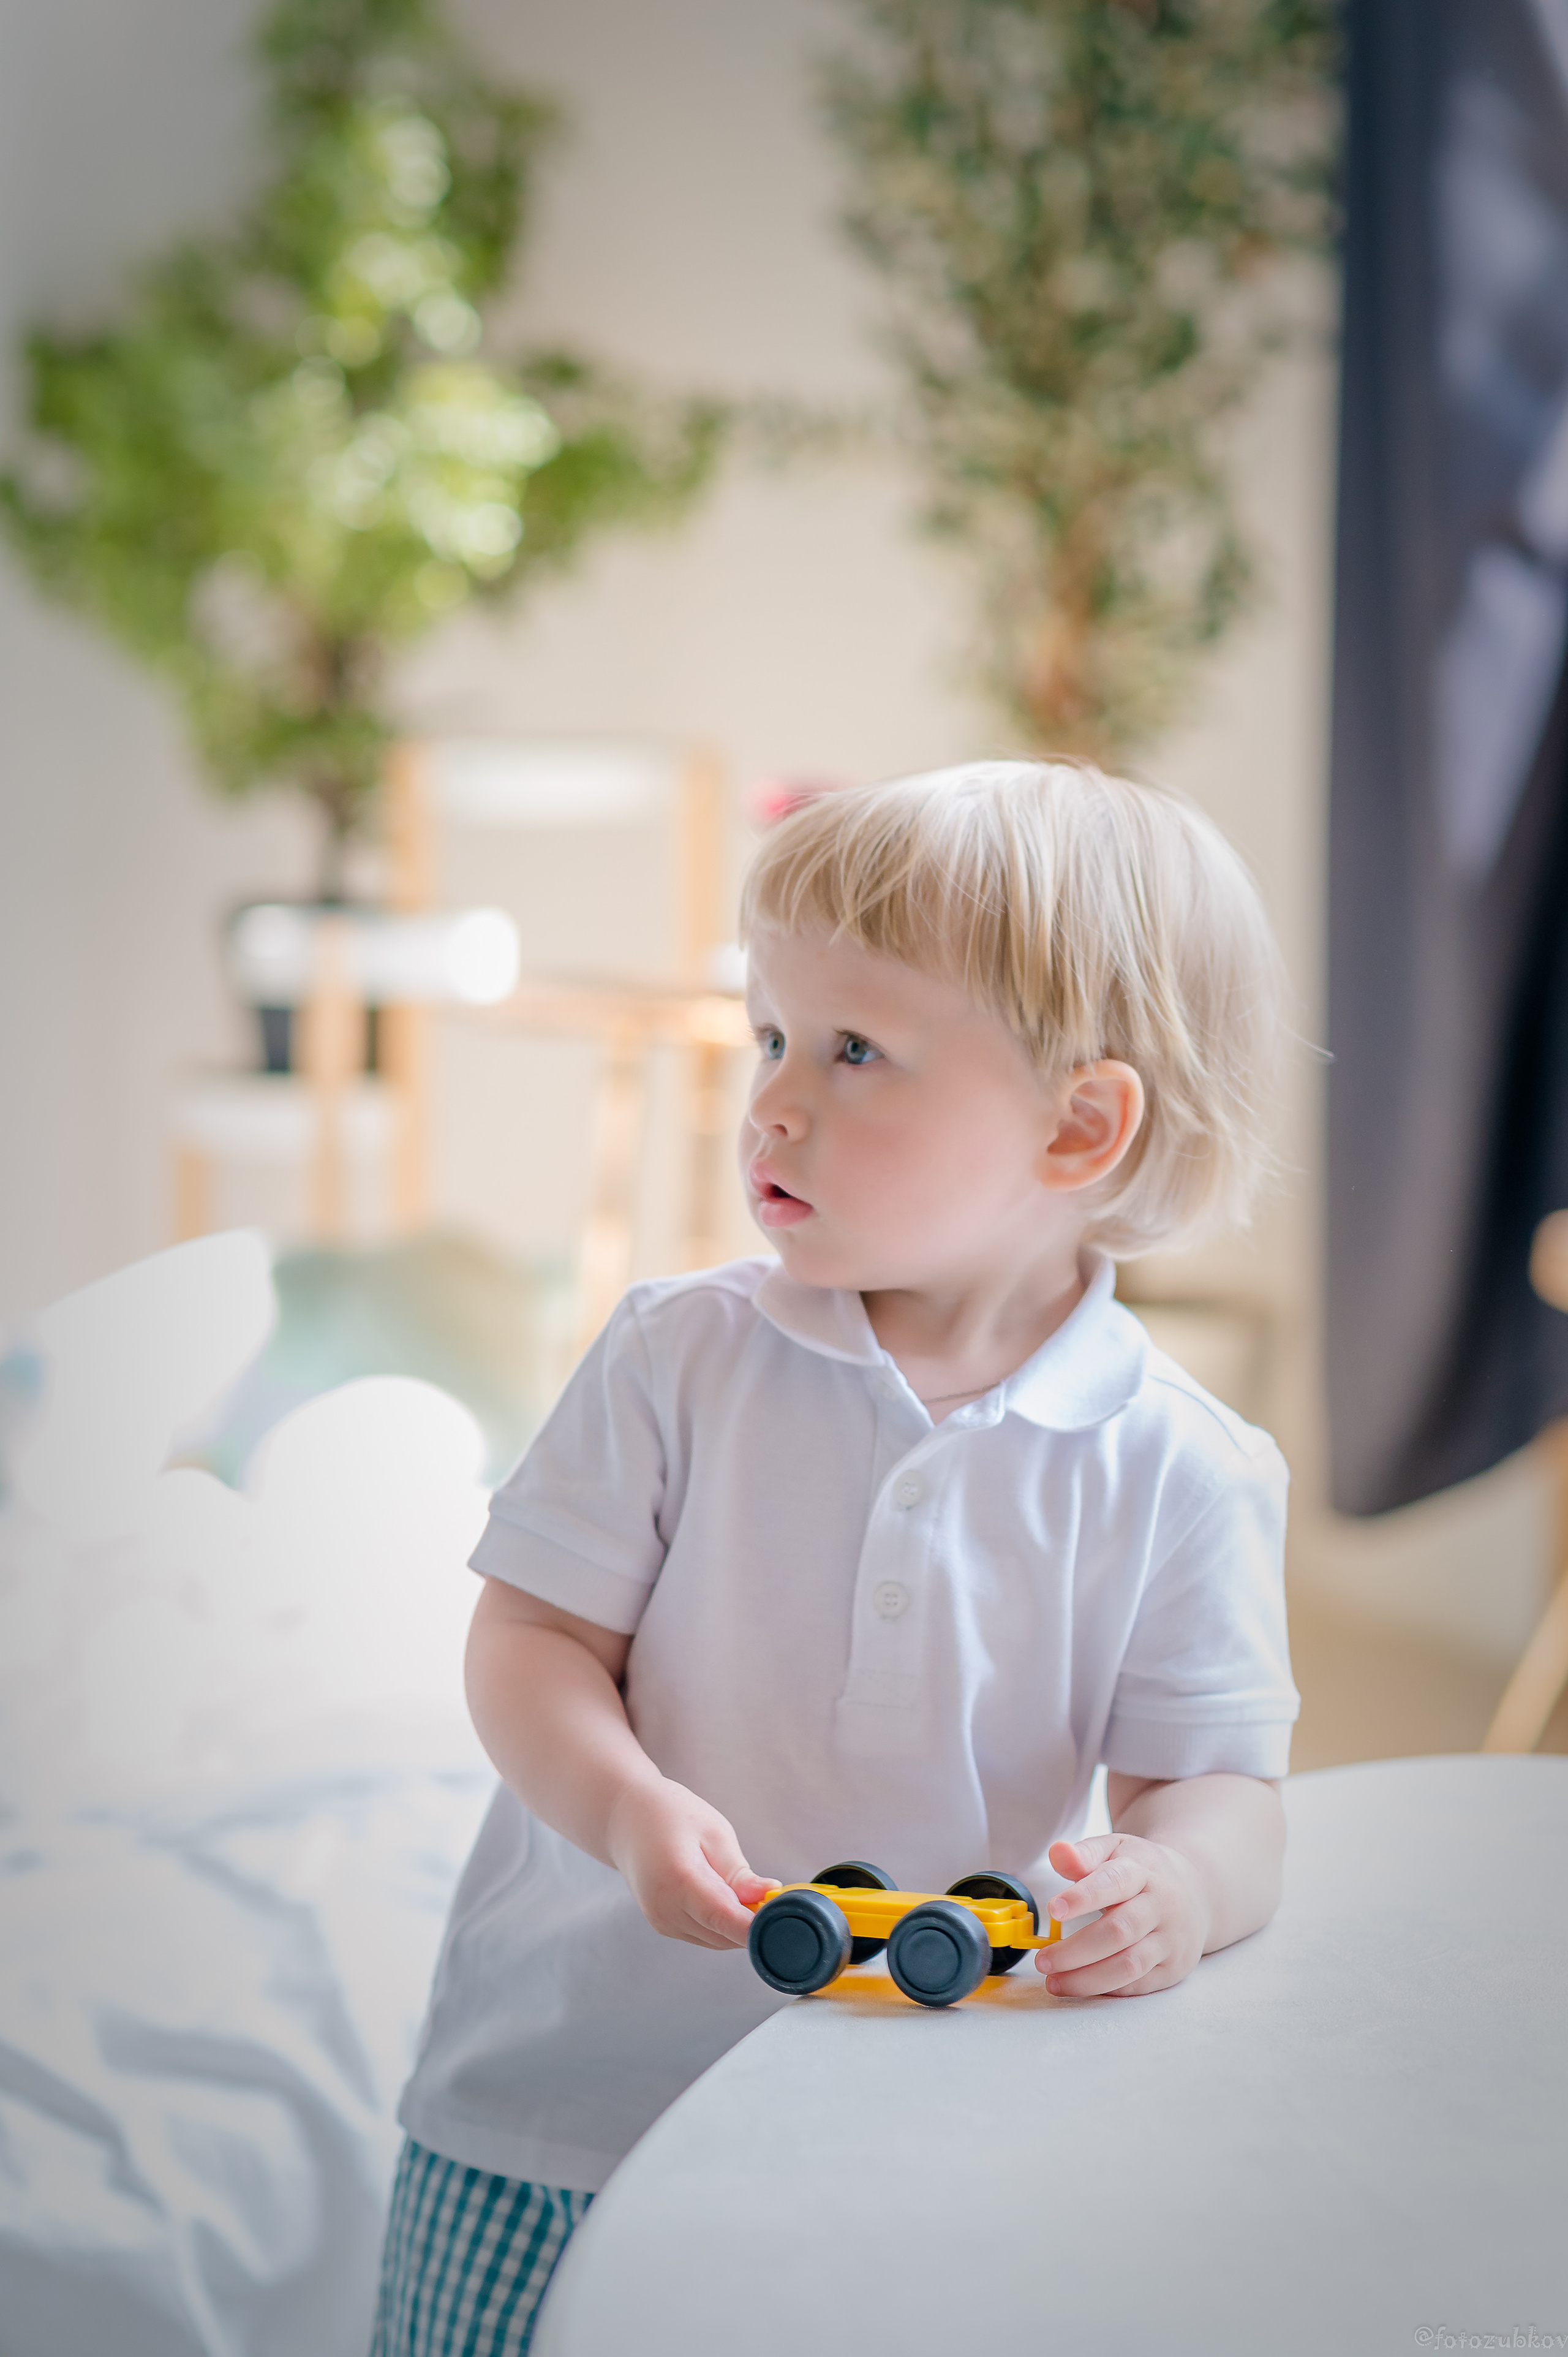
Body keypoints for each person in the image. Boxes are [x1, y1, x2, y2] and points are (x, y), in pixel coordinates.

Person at [370, 760, 1299, 2357]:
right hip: (558, 2109)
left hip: (907, 2132)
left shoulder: (1182, 1467)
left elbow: (1218, 1787)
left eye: (854, 1050)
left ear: (1079, 1125)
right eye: (772, 1038)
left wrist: (1181, 1886)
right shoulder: (680, 1356)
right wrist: (624, 1804)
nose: (775, 1105)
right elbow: (528, 1643)